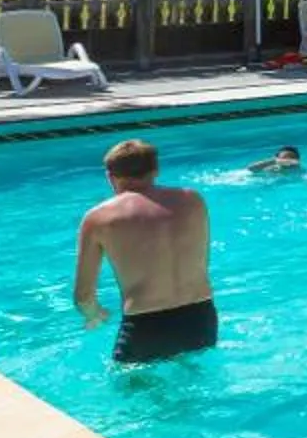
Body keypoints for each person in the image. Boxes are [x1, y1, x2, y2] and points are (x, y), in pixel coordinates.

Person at [73, 139, 217, 364]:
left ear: (110, 177)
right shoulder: (193, 200)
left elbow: (83, 296)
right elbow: (203, 262)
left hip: (146, 324)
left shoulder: (99, 218)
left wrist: (94, 315)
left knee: (132, 393)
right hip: (200, 318)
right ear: (156, 170)